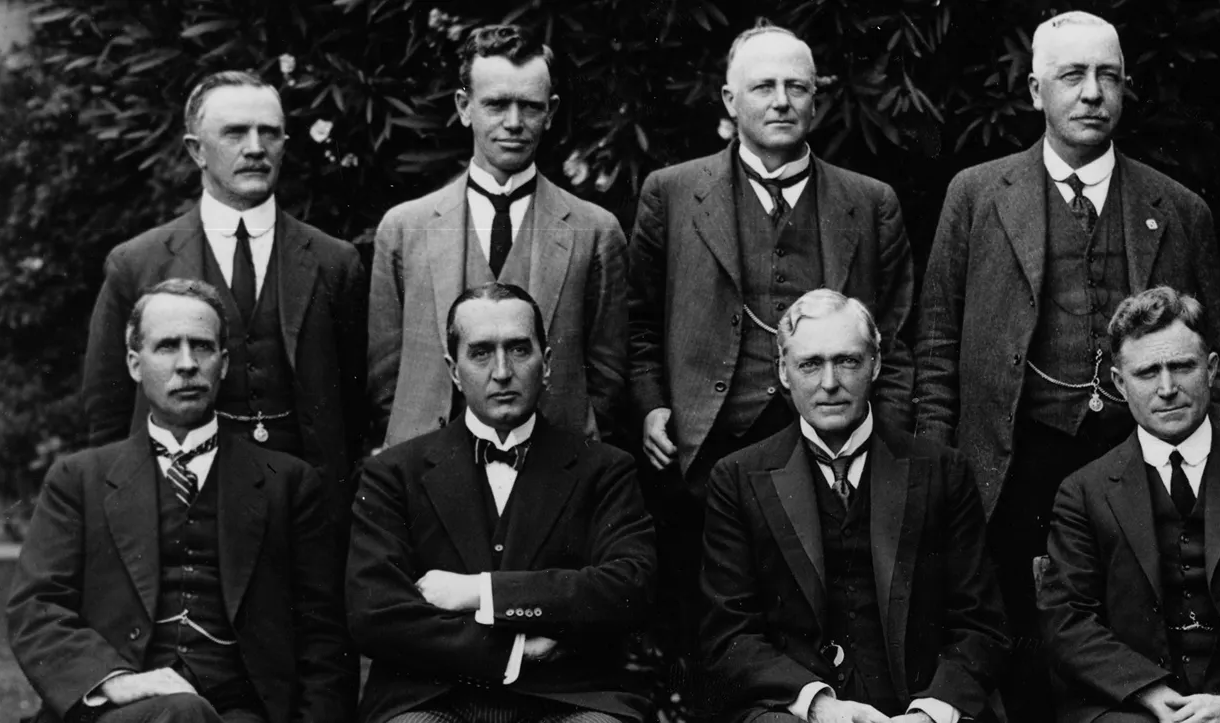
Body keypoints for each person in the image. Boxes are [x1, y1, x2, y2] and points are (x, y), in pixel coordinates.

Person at [912, 14, 1220, 720]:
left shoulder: (1176, 208)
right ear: (1035, 89)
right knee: (1022, 645)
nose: (1093, 93)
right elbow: (936, 349)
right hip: (1015, 460)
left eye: (1108, 76)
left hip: (1138, 459)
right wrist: (939, 472)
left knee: (1136, 631)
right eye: (1072, 76)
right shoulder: (976, 195)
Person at [626, 20, 916, 669]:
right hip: (707, 449)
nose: (781, 100)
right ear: (730, 101)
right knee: (717, 629)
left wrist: (884, 439)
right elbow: (638, 318)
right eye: (763, 86)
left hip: (836, 445)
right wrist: (650, 403)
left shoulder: (870, 203)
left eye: (796, 86)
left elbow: (898, 339)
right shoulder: (671, 192)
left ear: (817, 99)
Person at [12, 279, 354, 723]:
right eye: (168, 347)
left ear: (225, 364)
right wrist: (119, 681)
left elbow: (323, 636)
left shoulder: (287, 483)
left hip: (242, 710)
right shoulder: (79, 480)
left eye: (203, 347)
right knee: (181, 714)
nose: (188, 364)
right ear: (135, 364)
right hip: (122, 711)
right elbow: (38, 607)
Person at [348, 282, 657, 723]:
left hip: (570, 695)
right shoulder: (394, 473)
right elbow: (375, 613)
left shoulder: (605, 470)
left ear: (546, 364)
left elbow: (628, 589)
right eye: (480, 353)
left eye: (518, 350)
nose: (502, 372)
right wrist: (513, 649)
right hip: (432, 695)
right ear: (453, 370)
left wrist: (481, 593)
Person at [698, 289, 1008, 723]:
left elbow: (981, 625)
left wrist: (929, 712)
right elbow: (728, 635)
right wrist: (819, 707)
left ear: (876, 365)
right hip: (794, 710)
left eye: (847, 361)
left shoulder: (942, 470)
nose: (829, 383)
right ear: (783, 373)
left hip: (917, 705)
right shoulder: (737, 478)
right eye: (810, 364)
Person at [1039, 286, 1220, 723]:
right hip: (1132, 707)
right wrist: (1150, 695)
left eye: (1182, 367)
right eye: (1147, 373)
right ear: (1120, 383)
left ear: (1212, 369)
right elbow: (1067, 621)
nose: (1167, 389)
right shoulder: (1084, 492)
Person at [81, 70, 368, 494]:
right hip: (183, 502)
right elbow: (107, 409)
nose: (255, 149)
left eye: (269, 133)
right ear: (196, 150)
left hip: (306, 507)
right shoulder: (138, 263)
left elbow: (356, 403)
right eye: (235, 133)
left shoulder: (334, 261)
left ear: (285, 146)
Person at [371, 24, 627, 449]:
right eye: (496, 105)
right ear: (465, 106)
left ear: (550, 111)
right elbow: (384, 375)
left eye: (529, 106)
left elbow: (608, 373)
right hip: (427, 468)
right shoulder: (403, 228)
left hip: (555, 468)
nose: (514, 123)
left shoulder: (595, 230)